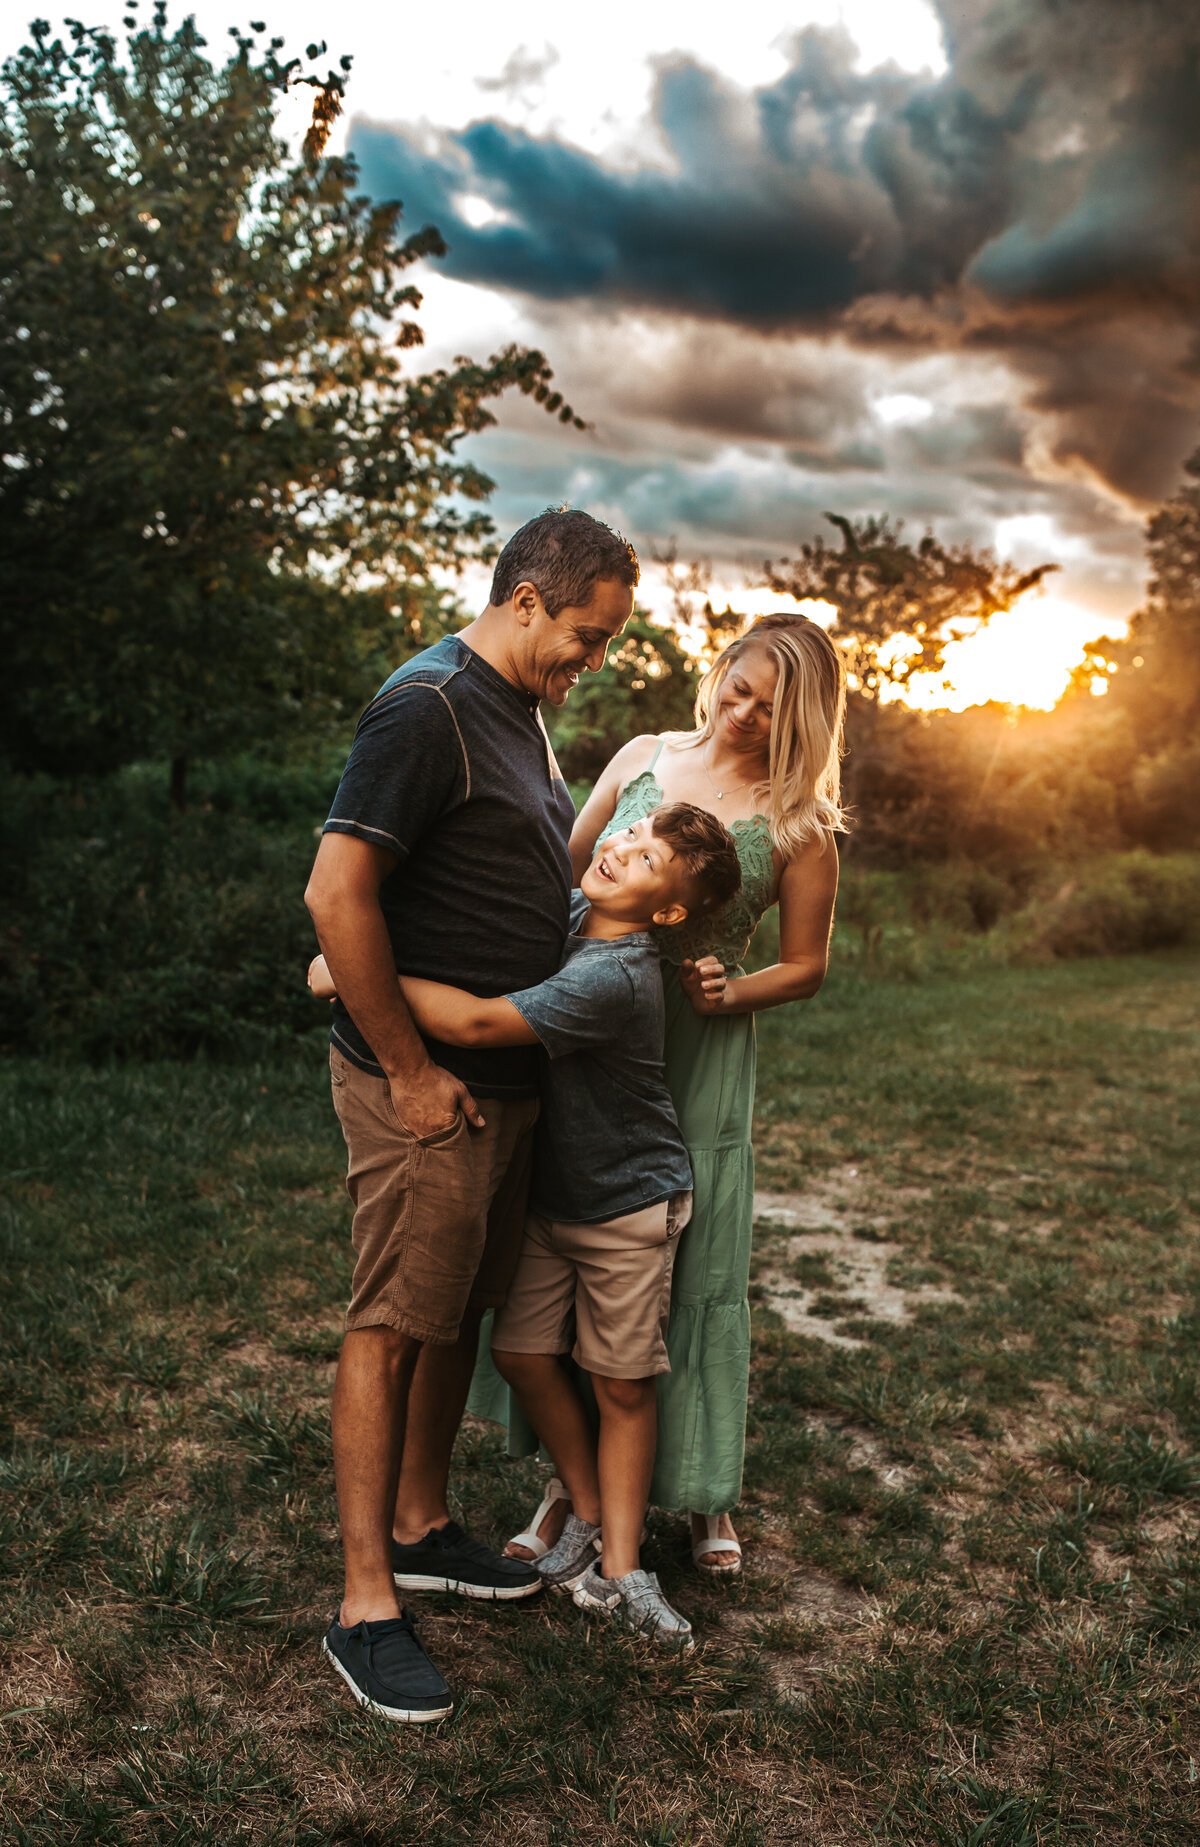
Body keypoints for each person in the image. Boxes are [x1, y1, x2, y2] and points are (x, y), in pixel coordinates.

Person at [304, 506, 638, 1725]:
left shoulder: (522, 714)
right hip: (427, 1091)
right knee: (393, 1319)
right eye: (586, 634)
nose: (591, 658)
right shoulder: (428, 705)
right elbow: (336, 887)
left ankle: (420, 1519)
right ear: (527, 599)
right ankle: (362, 1604)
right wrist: (406, 1067)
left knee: (453, 1314)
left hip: (502, 1091)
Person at [313, 802, 742, 1651]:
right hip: (554, 1197)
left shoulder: (615, 973)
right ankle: (584, 1504)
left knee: (622, 1380)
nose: (619, 846)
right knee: (517, 1351)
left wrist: (356, 971)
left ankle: (623, 1565)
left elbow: (476, 1022)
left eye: (647, 856)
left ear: (666, 913)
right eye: (630, 831)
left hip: (625, 1203)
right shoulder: (577, 915)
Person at [492, 613, 846, 1577]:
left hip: (700, 1045)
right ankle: (574, 1483)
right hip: (596, 1030)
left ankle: (702, 1489)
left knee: (693, 1271)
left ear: (803, 719)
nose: (742, 713)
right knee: (582, 1242)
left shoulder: (802, 823)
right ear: (720, 670)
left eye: (770, 710)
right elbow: (557, 877)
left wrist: (738, 986)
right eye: (737, 688)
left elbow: (807, 965)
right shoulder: (643, 755)